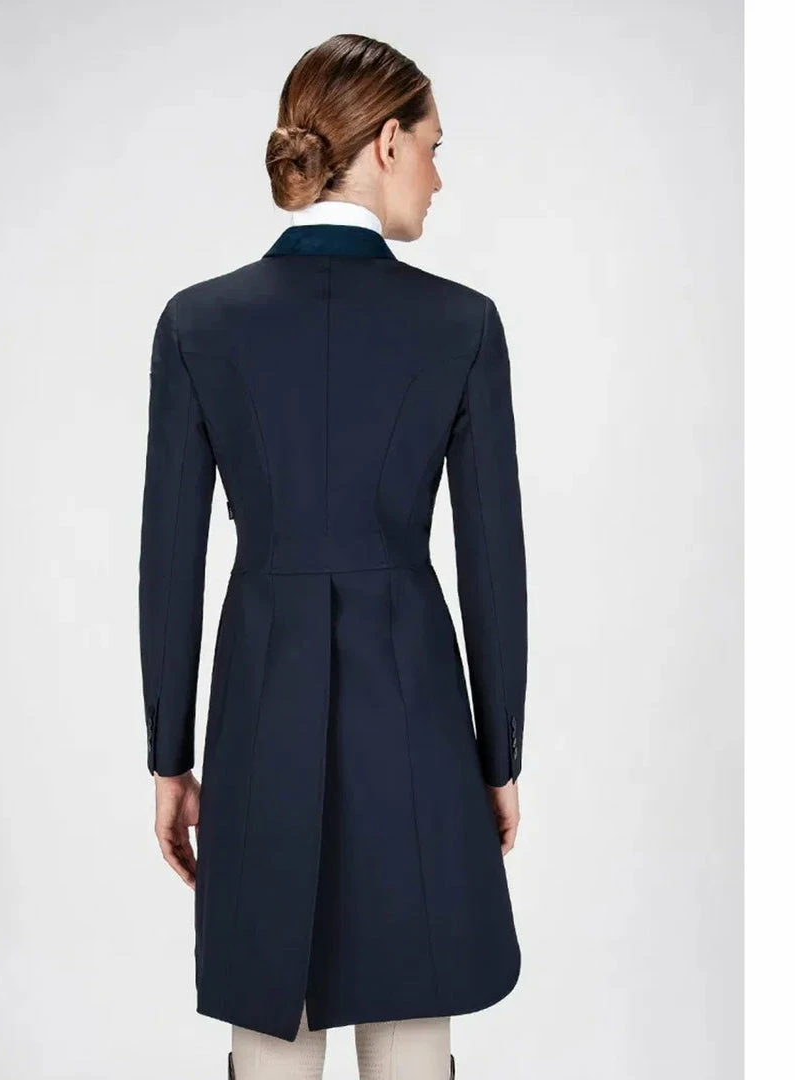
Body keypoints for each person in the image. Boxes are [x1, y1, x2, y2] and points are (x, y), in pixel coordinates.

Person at [138, 33, 528, 1080]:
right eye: (435, 146)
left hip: (259, 711)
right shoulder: (461, 324)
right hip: (417, 718)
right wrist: (497, 758)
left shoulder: (198, 323)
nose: (438, 177)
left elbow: (169, 564)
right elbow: (494, 566)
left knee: (271, 1019)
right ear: (387, 142)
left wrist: (170, 759)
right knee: (413, 1016)